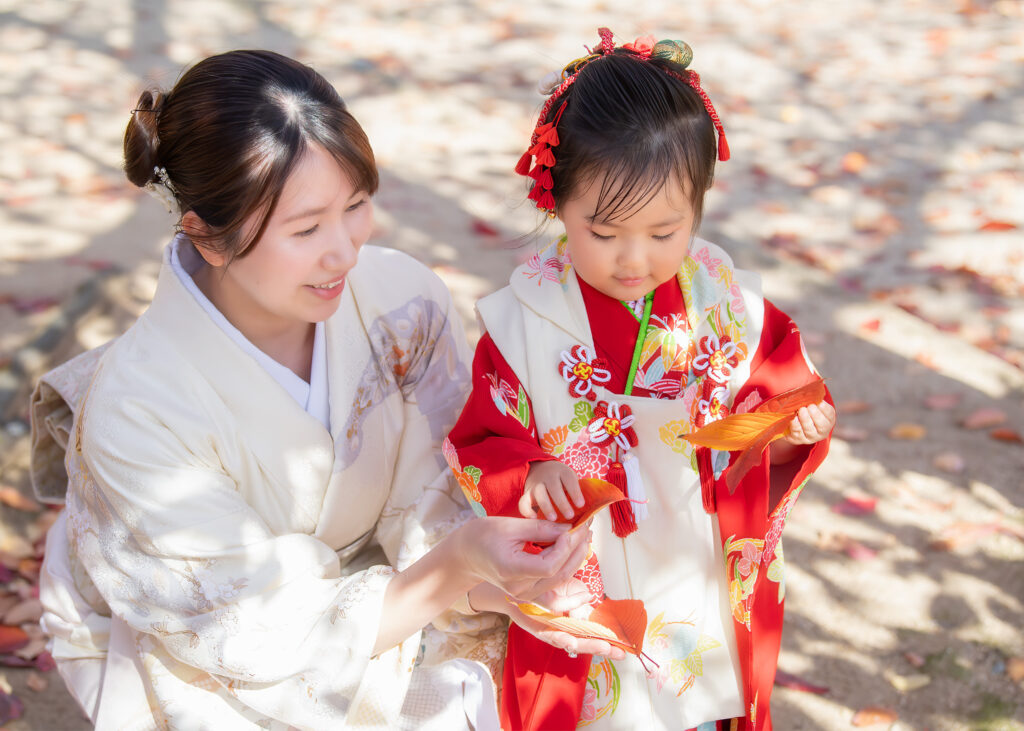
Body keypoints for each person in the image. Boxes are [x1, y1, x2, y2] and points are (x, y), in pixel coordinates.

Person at [29, 49, 599, 730]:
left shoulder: (400, 299)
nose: (345, 251)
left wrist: (487, 583)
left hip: (395, 578)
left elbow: (435, 496)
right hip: (211, 627)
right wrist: (455, 569)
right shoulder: (137, 406)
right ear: (206, 236)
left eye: (355, 206)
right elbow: (245, 629)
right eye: (305, 229)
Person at [444, 29, 836, 731]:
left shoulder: (725, 302)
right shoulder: (525, 320)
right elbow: (483, 437)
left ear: (698, 207)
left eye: (664, 232)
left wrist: (790, 429)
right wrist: (531, 469)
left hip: (695, 547)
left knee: (703, 691)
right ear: (556, 200)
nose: (633, 260)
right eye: (603, 232)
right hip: (592, 558)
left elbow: (774, 401)